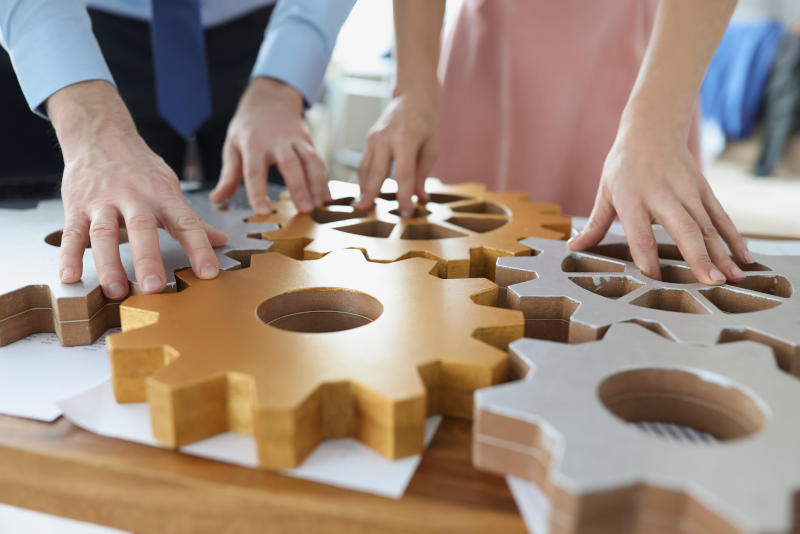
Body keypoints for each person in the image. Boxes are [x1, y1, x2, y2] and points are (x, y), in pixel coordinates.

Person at [356, 0, 754, 286]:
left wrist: (657, 122)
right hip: (489, 54)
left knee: (620, 284)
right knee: (457, 282)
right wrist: (412, 84)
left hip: (638, 64)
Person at [0, 0, 354, 300]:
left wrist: (282, 83)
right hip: (86, 38)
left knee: (278, 241)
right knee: (115, 228)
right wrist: (90, 125)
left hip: (266, 32)